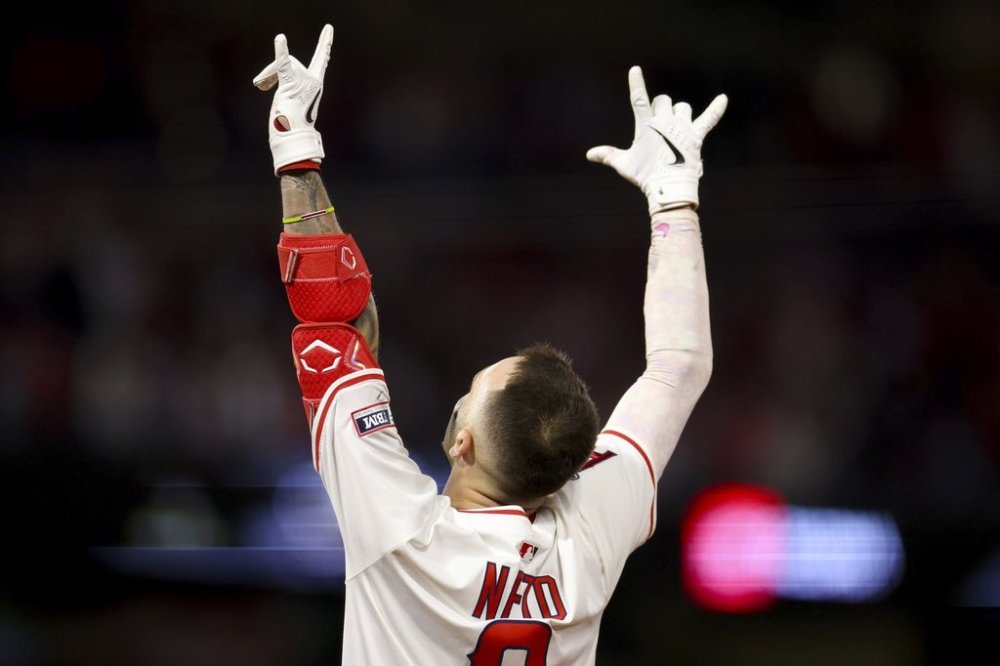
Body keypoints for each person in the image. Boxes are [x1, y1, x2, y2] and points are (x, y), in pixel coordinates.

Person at [253, 23, 726, 665]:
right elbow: (678, 366)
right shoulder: (583, 531)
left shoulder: (405, 534)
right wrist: (674, 199)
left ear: (462, 443)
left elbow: (336, 322)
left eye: (471, 392)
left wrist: (297, 147)